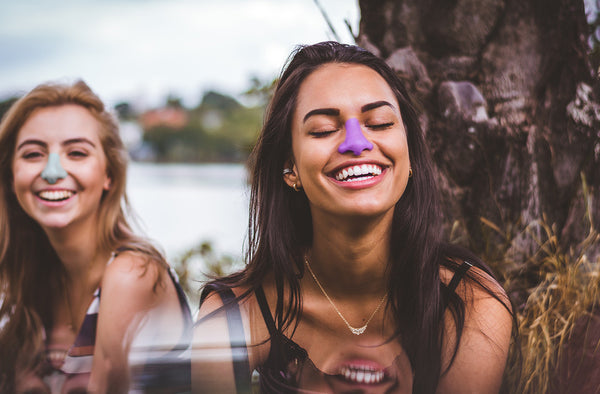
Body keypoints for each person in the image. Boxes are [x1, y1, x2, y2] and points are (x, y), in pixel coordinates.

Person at [192, 41, 514, 393]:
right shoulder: (234, 315)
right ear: (290, 167)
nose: (356, 142)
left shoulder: (470, 302)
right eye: (323, 130)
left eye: (379, 122)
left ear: (409, 159)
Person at [0, 80, 192, 393]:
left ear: (109, 175)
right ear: (10, 176)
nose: (52, 171)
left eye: (76, 153)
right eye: (33, 154)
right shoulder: (29, 278)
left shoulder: (131, 274)